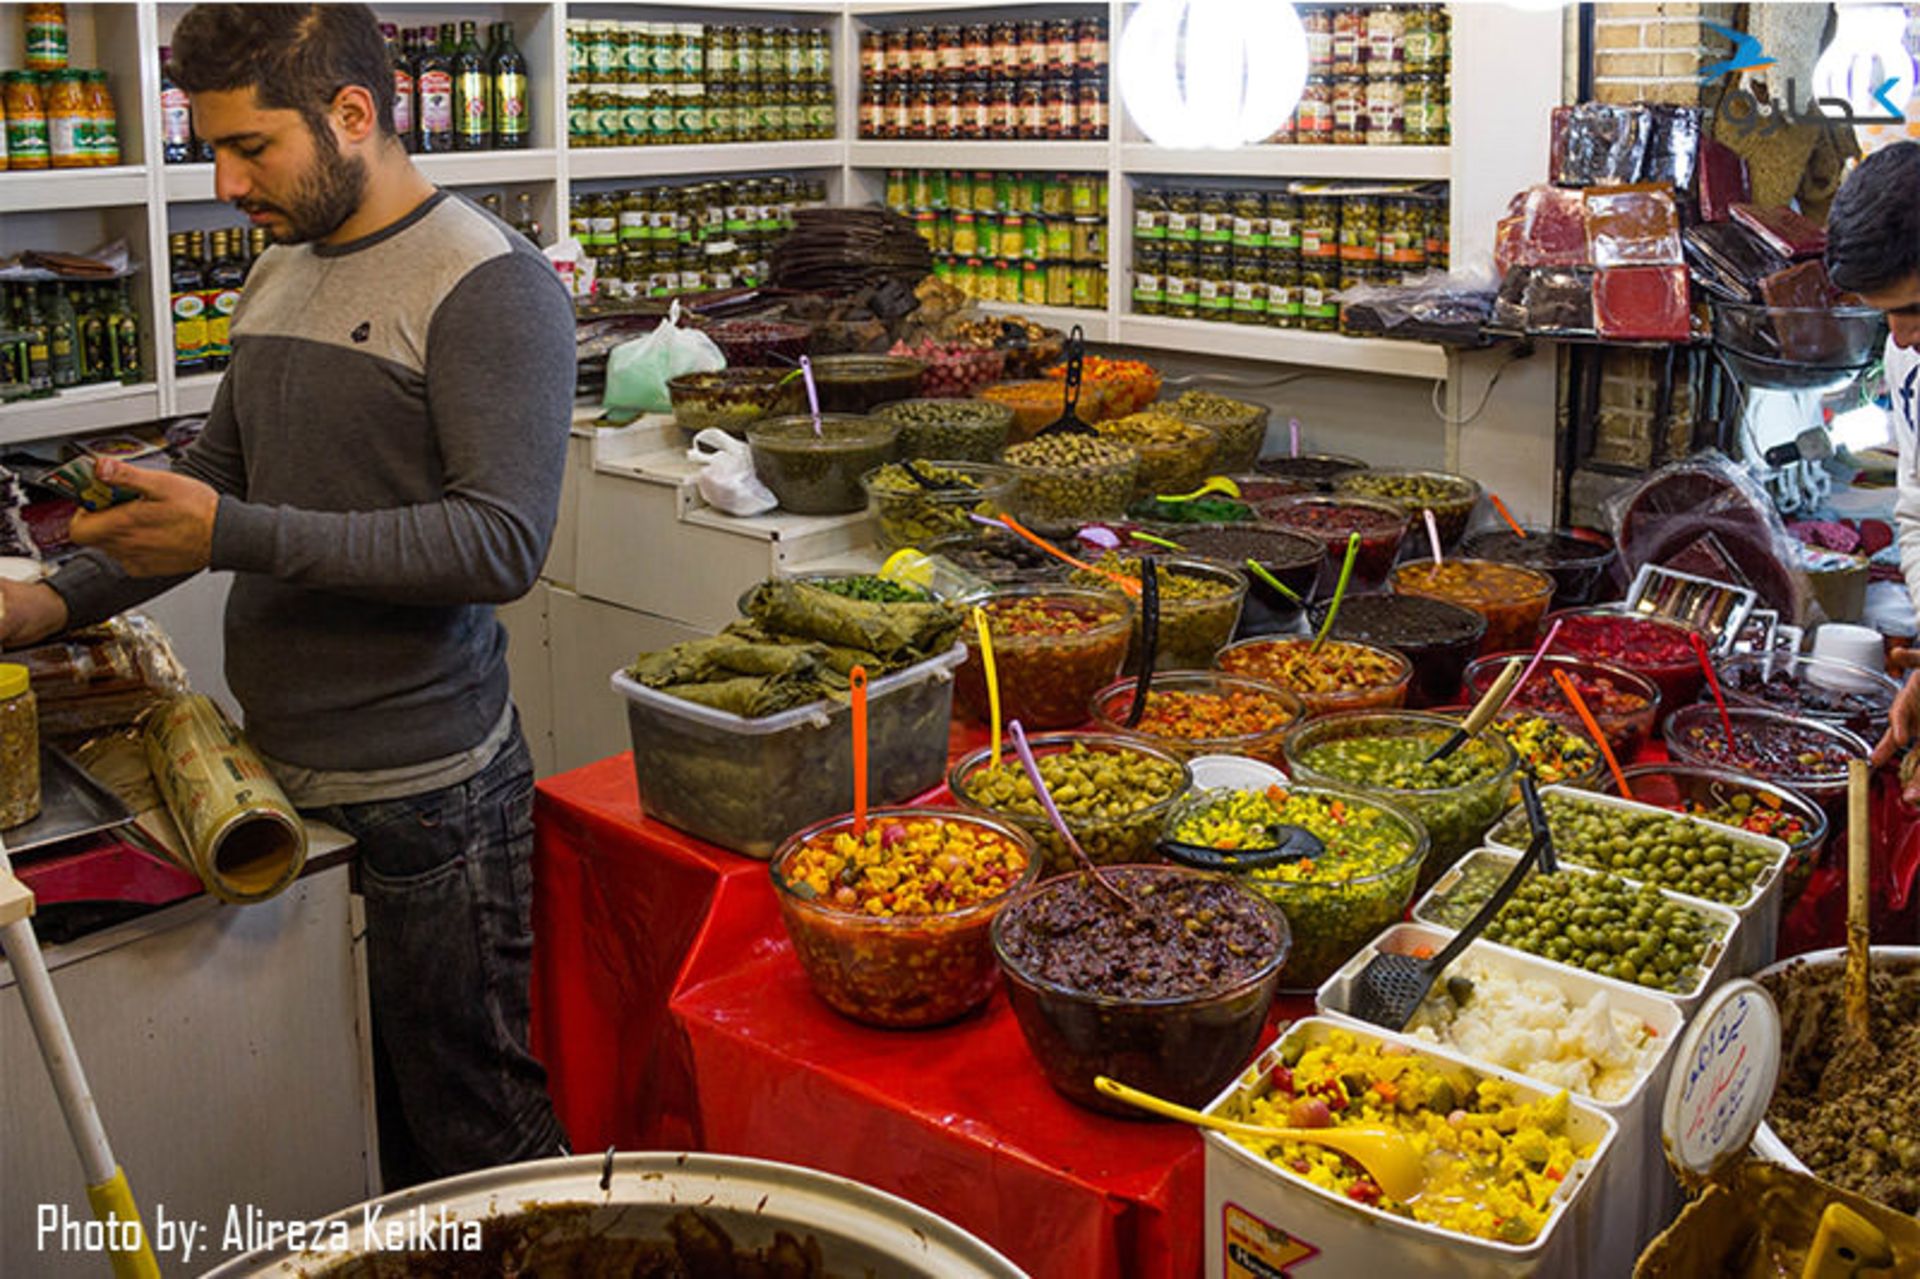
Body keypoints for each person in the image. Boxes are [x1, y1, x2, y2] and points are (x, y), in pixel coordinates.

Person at [0, 4, 572, 1186]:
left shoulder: (489, 282)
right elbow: (220, 482)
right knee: (365, 1134)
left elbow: (499, 543)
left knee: (477, 1138)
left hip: (434, 807)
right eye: (212, 147)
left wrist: (234, 529)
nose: (222, 179)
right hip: (283, 777)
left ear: (353, 115)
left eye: (251, 147)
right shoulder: (277, 267)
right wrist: (52, 602)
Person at [1827, 141, 1920, 796]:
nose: (1899, 336)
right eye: (1881, 312)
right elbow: (1916, 512)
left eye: (1912, 309)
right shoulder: (1905, 358)